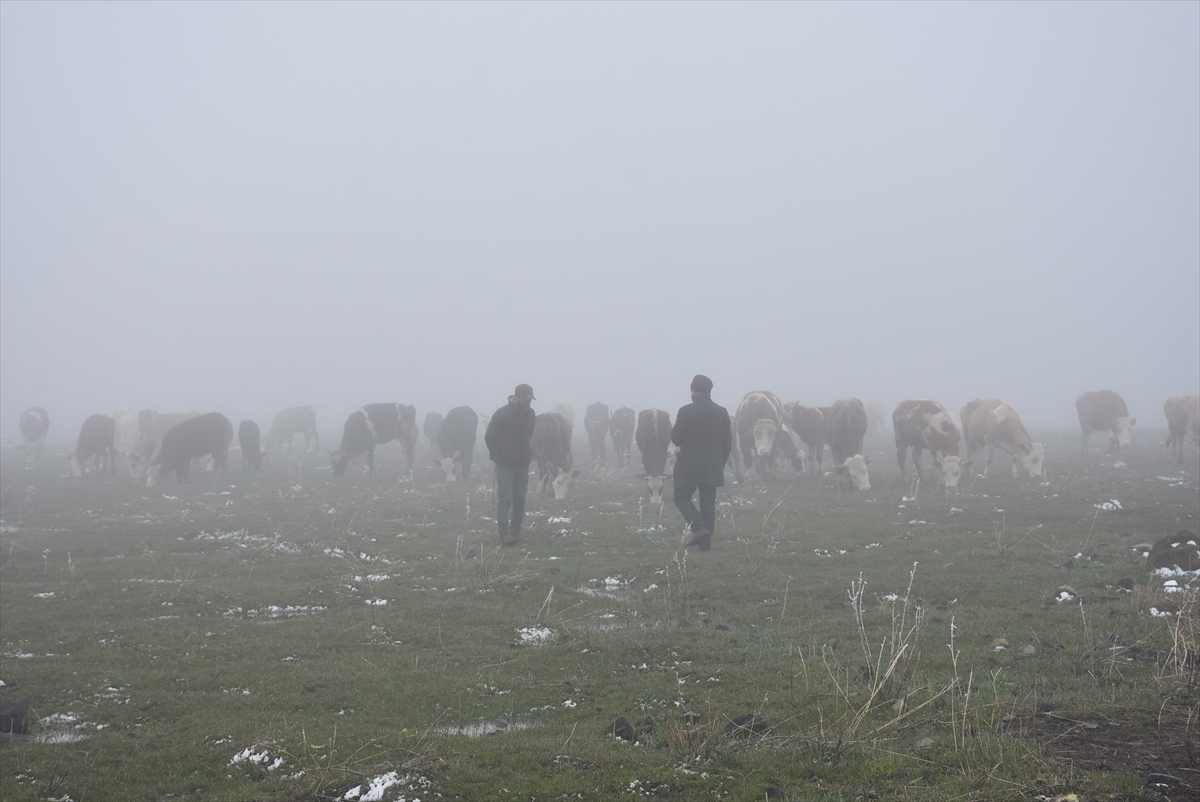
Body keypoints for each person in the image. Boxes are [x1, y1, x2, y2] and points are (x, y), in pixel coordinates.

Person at [670, 375, 732, 551]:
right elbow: (727, 443)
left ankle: (698, 528)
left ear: (693, 390)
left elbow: (676, 438)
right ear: (710, 390)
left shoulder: (685, 411)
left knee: (681, 497)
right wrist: (719, 464)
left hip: (688, 465)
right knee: (708, 505)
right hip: (712, 465)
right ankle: (705, 545)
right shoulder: (721, 412)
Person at [484, 383, 537, 547]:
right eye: (526, 399)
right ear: (516, 397)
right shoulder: (502, 414)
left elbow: (529, 434)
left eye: (530, 399)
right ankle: (504, 535)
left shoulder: (531, 414)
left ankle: (515, 532)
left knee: (520, 500)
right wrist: (495, 455)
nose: (528, 402)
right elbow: (489, 436)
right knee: (505, 500)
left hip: (523, 463)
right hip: (505, 464)